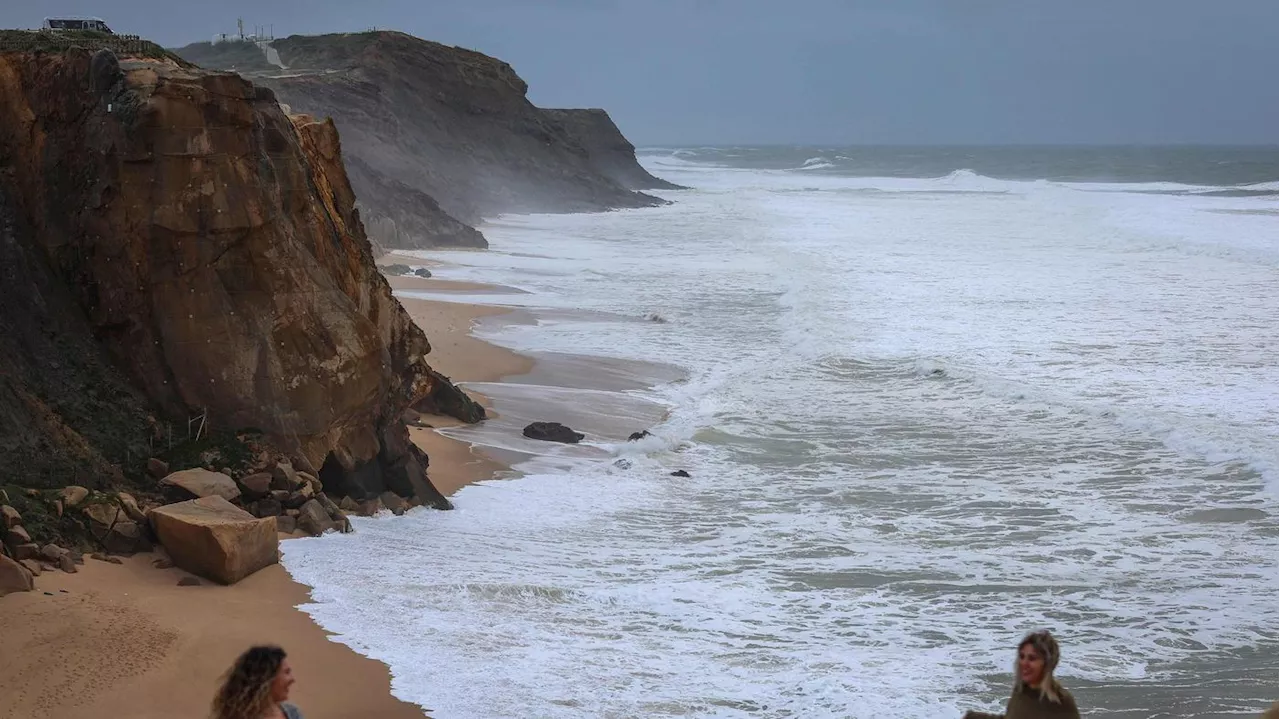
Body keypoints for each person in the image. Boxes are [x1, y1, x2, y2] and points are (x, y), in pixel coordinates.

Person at [963, 630, 1080, 719]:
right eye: (1022, 656)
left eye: (1032, 658)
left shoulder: (1061, 702)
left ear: (1047, 664)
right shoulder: (1021, 690)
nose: (1024, 663)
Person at [211, 645, 303, 719]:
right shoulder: (237, 716)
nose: (292, 679)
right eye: (286, 672)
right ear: (267, 678)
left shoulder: (292, 713)